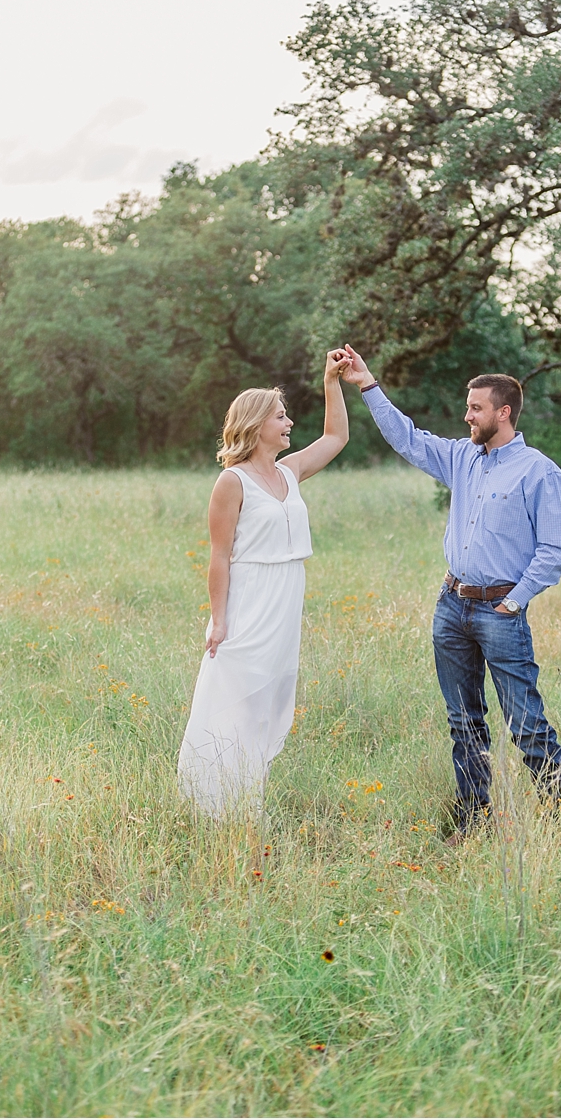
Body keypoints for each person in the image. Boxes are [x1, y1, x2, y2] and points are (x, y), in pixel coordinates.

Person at [337, 345, 561, 838]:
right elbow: (407, 438)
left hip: (501, 611)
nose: (467, 415)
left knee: (525, 722)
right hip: (451, 607)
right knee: (463, 721)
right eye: (467, 407)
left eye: (476, 408)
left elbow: (556, 550)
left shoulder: (539, 471)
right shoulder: (461, 458)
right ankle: (472, 817)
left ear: (503, 412)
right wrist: (366, 384)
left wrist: (515, 599)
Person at [177, 350, 351, 818]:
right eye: (281, 416)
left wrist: (331, 382)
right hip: (249, 598)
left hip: (286, 595)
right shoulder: (232, 482)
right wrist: (219, 620)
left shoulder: (289, 472)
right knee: (237, 696)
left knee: (270, 699)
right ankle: (214, 802)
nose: (289, 422)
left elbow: (336, 436)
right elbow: (219, 555)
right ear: (256, 425)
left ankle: (246, 795)